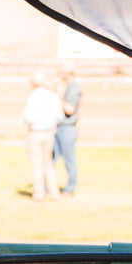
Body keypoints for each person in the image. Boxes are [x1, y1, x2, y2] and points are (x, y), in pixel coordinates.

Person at [23, 71, 64, 201]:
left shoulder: (33, 97)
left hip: (36, 132)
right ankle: (54, 193)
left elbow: (28, 117)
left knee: (37, 164)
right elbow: (59, 116)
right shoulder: (52, 96)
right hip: (49, 132)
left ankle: (39, 194)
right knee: (48, 164)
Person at [54, 66, 82, 196]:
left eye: (61, 72)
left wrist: (58, 96)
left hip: (67, 128)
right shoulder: (68, 87)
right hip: (61, 127)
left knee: (69, 160)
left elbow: (70, 109)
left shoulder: (74, 88)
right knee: (52, 158)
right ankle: (49, 186)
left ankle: (70, 188)